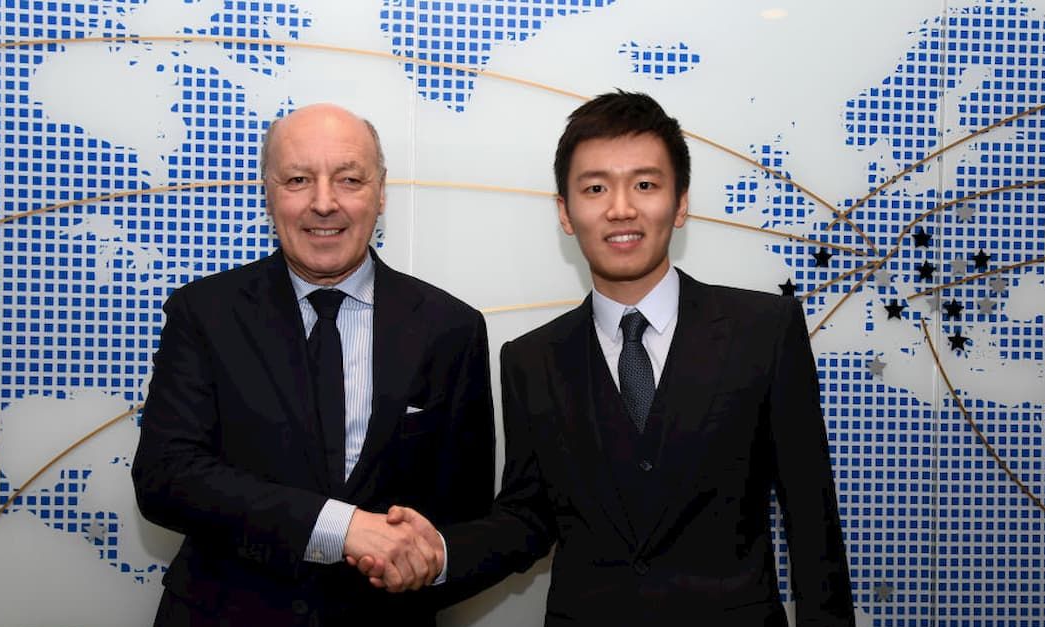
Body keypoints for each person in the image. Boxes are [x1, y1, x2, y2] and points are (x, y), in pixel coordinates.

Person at [361, 91, 855, 625]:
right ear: (565, 212)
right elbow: (528, 518)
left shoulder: (764, 331)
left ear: (681, 203)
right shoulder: (530, 360)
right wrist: (440, 554)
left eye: (645, 184)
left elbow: (812, 521)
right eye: (595, 188)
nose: (621, 208)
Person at [132, 103, 495, 626]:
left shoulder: (451, 329)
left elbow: (464, 516)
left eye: (349, 179)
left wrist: (428, 557)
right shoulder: (204, 313)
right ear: (268, 192)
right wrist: (342, 527)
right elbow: (166, 478)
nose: (324, 203)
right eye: (299, 180)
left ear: (381, 192)